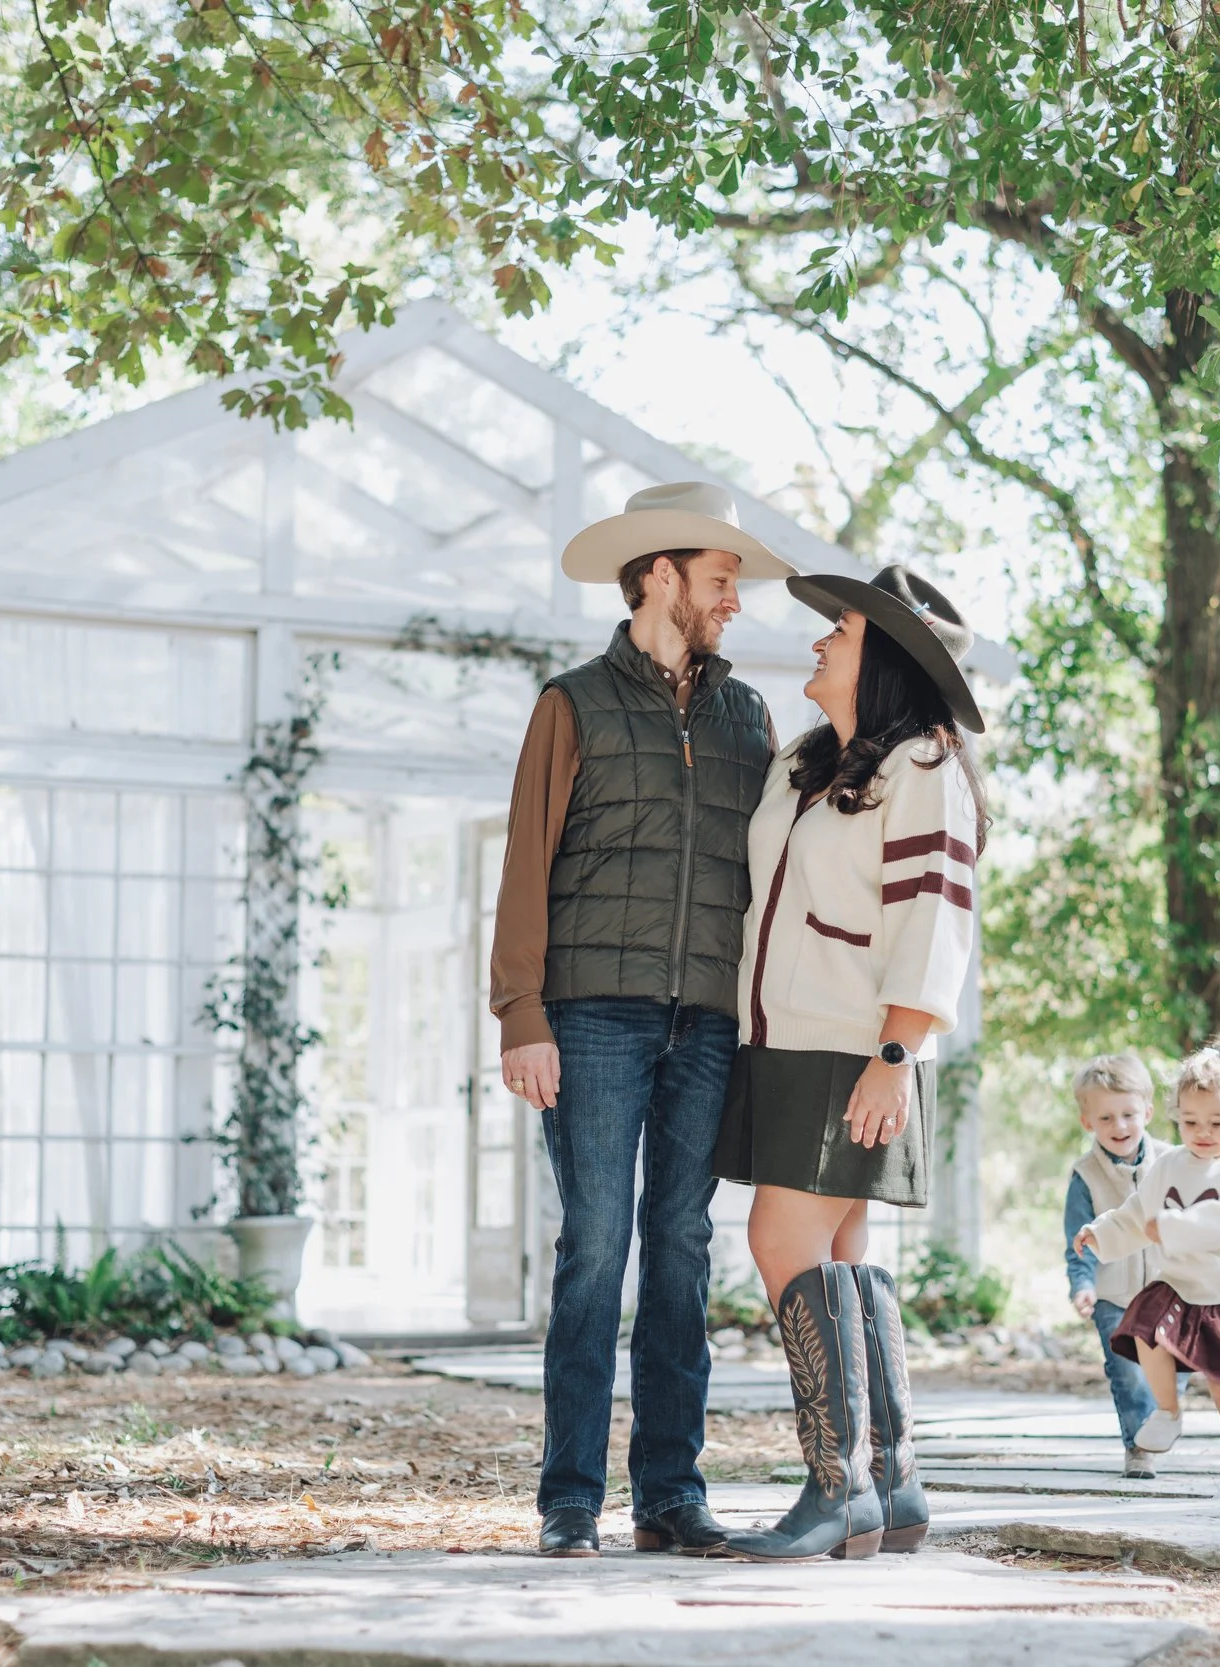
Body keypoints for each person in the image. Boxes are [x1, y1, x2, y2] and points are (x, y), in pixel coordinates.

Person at [491, 481, 793, 1559]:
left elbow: (772, 874)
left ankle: (669, 1492)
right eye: (722, 582)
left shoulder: (747, 714)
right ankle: (569, 1497)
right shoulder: (571, 702)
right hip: (590, 1015)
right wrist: (520, 1012)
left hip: (707, 1019)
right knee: (596, 1247)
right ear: (660, 575)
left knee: (678, 1247)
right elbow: (526, 861)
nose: (735, 603)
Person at [711, 564, 989, 1562]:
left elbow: (933, 916)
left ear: (887, 659)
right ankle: (890, 1481)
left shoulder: (924, 762)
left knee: (780, 1239)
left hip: (850, 1042)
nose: (823, 637)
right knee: (836, 1255)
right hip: (781, 1039)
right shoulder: (805, 759)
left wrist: (896, 1050)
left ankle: (838, 1487)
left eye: (842, 628)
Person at [1073, 1041, 1220, 1498]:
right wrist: (1101, 1232)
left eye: (1217, 1123)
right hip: (1177, 1289)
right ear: (1176, 1117)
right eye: (1190, 1122)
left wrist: (1170, 1226)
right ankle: (1166, 1410)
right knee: (1144, 1330)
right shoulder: (1168, 1164)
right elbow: (1135, 1213)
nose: (1202, 1132)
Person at [1061, 1052, 1178, 1479]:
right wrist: (1083, 1285)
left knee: (1171, 1365)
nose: (1120, 1127)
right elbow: (1078, 1240)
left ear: (1147, 1111)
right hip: (1113, 1294)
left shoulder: (1173, 1163)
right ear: (1087, 1122)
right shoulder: (1085, 1176)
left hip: (1171, 1287)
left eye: (1128, 1114)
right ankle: (1139, 1447)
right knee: (1127, 1371)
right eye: (1106, 1118)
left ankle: (1166, 1411)